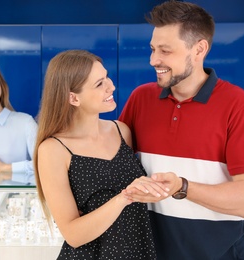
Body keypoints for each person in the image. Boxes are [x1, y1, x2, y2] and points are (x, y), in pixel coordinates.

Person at [119, 1, 244, 259]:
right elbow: (109, 161)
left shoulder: (241, 106)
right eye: (153, 49)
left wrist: (181, 187)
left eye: (165, 51)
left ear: (199, 49)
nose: (154, 60)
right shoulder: (140, 98)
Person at [34, 50, 162, 259]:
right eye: (99, 83)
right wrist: (125, 197)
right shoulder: (53, 149)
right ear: (73, 98)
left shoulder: (122, 131)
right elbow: (73, 235)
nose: (111, 86)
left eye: (107, 77)